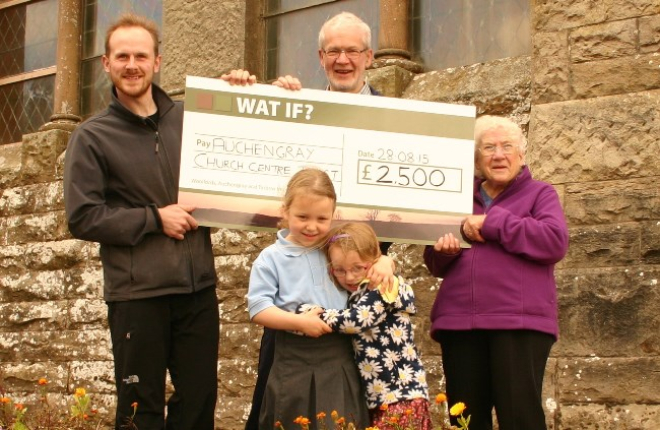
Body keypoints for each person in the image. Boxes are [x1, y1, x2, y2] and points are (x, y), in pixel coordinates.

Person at [64, 13, 224, 430]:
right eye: (122, 56)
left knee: (199, 402)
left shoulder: (192, 121)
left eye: (140, 55)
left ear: (157, 62)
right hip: (138, 297)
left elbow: (241, 154)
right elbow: (83, 216)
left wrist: (242, 91)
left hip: (197, 291)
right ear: (106, 63)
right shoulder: (91, 136)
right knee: (141, 410)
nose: (131, 64)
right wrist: (155, 219)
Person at [241, 12, 388, 429]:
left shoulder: (397, 119)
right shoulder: (299, 109)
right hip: (292, 329)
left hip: (356, 299)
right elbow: (254, 139)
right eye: (334, 51)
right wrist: (265, 96)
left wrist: (383, 260)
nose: (344, 59)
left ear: (369, 57)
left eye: (353, 50)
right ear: (321, 57)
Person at [423, 115, 569, 430]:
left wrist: (493, 223)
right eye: (488, 147)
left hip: (519, 321)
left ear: (521, 155)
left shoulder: (540, 194)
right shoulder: (455, 196)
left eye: (506, 147)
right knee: (465, 421)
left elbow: (554, 242)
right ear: (476, 158)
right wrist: (445, 250)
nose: (498, 155)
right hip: (460, 322)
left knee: (520, 419)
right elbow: (432, 262)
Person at [246, 169, 395, 429]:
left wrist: (385, 261)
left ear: (334, 215)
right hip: (293, 355)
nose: (312, 226)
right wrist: (299, 323)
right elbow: (258, 309)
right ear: (285, 211)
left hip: (340, 355)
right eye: (302, 217)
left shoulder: (335, 246)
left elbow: (367, 260)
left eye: (322, 218)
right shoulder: (271, 258)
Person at [297, 222, 432, 429]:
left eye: (357, 268)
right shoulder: (361, 289)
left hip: (401, 394)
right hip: (381, 396)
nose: (349, 277)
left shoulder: (382, 285)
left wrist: (315, 314)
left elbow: (358, 320)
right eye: (339, 270)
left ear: (374, 260)